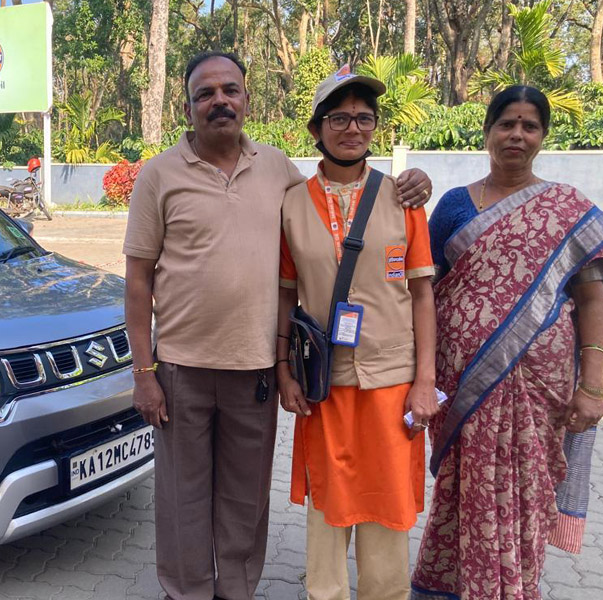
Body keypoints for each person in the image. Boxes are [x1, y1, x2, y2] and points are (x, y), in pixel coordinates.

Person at [123, 52, 433, 600]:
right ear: (188, 107)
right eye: (204, 93)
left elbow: (340, 201)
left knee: (245, 499)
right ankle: (187, 592)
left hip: (257, 370)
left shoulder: (277, 171)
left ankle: (237, 591)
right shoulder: (159, 174)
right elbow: (137, 280)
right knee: (181, 497)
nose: (219, 101)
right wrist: (143, 373)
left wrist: (415, 182)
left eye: (230, 90)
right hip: (181, 369)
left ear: (247, 99)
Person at [410, 85, 603, 600]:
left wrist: (592, 384)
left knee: (526, 493)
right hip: (463, 383)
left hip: (539, 386)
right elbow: (423, 290)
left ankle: (511, 588)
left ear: (543, 136)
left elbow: (593, 301)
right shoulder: (454, 206)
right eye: (507, 124)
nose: (517, 135)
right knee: (464, 487)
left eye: (530, 126)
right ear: (487, 132)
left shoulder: (566, 209)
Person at [274, 66, 439, 600]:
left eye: (364, 118)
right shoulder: (292, 204)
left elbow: (423, 294)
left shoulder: (403, 199)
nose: (353, 128)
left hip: (391, 381)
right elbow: (285, 296)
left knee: (388, 504)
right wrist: (283, 372)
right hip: (323, 383)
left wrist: (425, 381)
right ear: (316, 129)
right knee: (328, 502)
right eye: (339, 118)